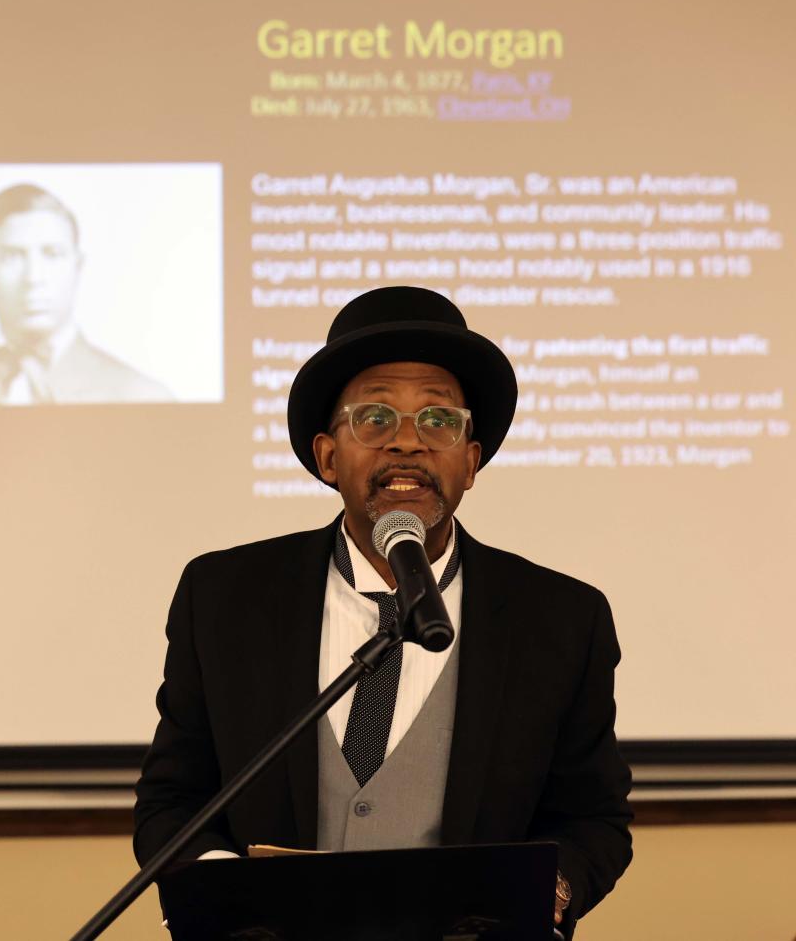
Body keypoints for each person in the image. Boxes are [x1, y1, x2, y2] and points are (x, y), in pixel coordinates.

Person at [134, 286, 632, 938]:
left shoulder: (562, 617)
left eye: (439, 421)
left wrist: (553, 890)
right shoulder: (226, 596)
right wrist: (230, 893)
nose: (408, 443)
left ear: (471, 461)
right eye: (374, 419)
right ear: (327, 455)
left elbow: (592, 817)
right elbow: (175, 802)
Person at [0, 183, 173, 404]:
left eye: (52, 255)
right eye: (12, 257)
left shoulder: (142, 397)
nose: (33, 278)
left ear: (77, 267)